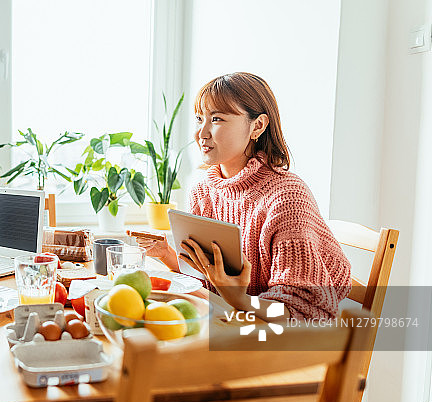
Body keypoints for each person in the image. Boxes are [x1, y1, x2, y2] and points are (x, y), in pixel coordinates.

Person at [133, 72, 351, 320]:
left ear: (257, 126)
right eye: (199, 119)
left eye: (216, 119)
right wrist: (169, 256)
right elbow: (211, 287)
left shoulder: (287, 197)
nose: (201, 133)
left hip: (277, 339)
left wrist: (239, 299)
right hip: (232, 323)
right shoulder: (204, 190)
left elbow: (302, 310)